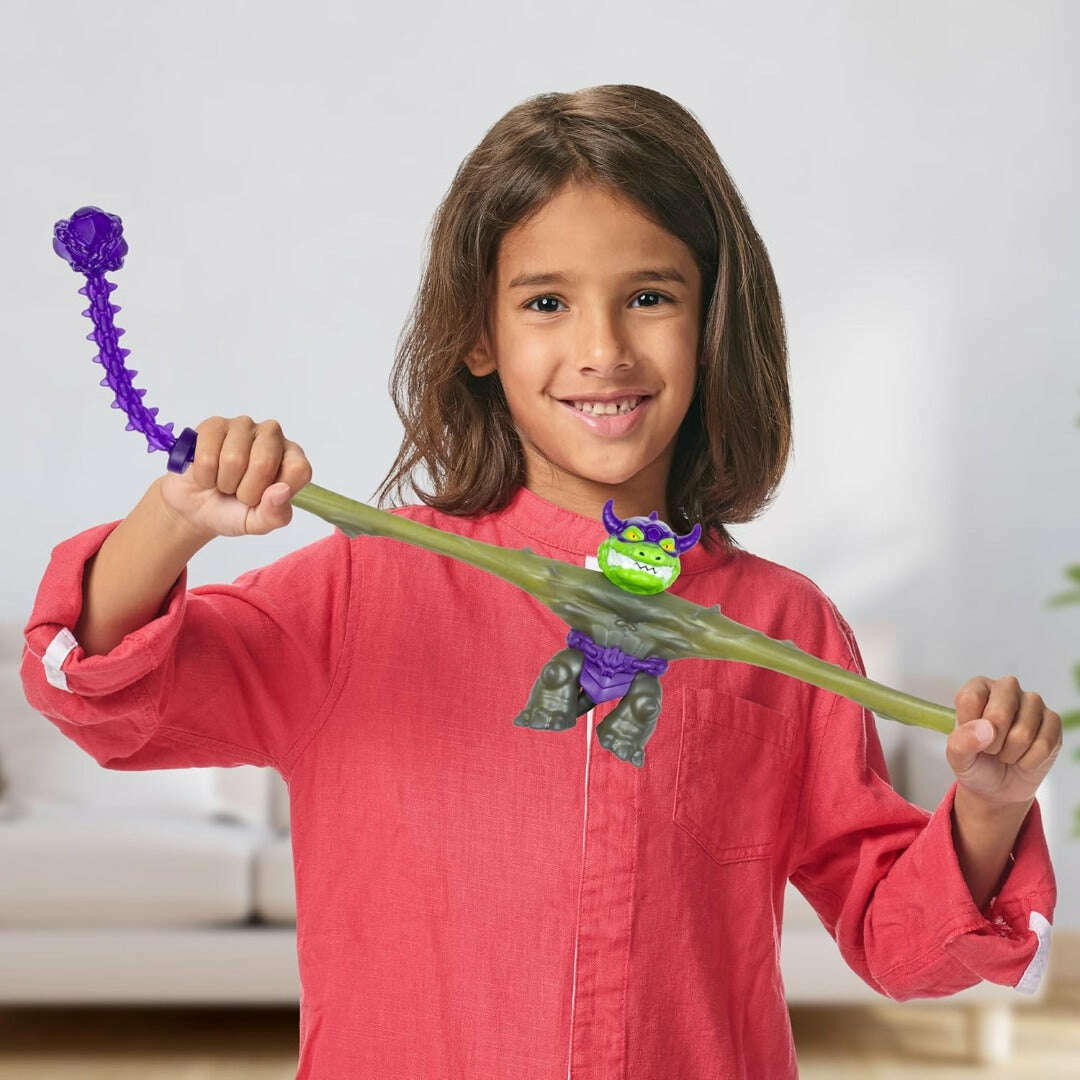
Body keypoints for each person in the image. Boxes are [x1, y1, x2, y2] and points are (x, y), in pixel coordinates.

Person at [21, 85, 1060, 1079]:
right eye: (547, 302)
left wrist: (990, 803)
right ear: (480, 335)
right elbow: (104, 695)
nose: (601, 349)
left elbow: (898, 940)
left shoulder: (785, 627)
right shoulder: (361, 591)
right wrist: (174, 520)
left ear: (712, 321)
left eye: (649, 297)